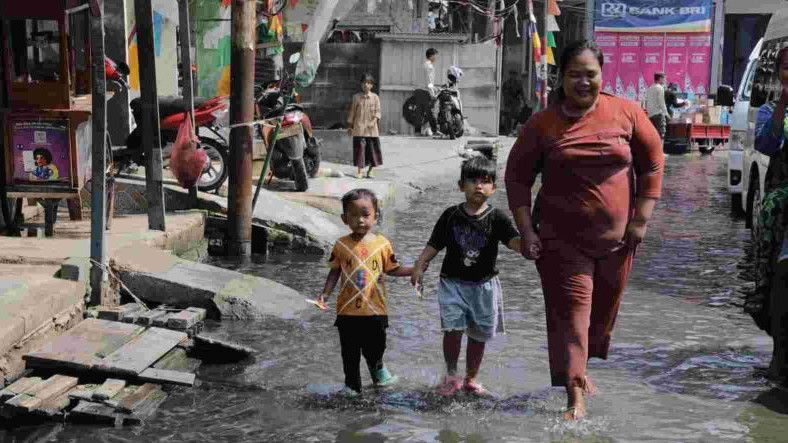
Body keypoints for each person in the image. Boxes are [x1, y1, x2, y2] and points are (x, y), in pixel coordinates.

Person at [504, 40, 664, 420]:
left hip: (619, 242)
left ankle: (578, 370)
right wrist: (526, 231)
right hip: (562, 243)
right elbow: (516, 178)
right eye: (574, 74)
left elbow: (653, 163)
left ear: (602, 75)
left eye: (590, 74)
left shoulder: (626, 113)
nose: (582, 82)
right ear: (561, 78)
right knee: (573, 315)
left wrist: (640, 220)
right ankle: (575, 395)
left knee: (598, 319)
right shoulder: (542, 124)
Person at [411, 157, 521, 396]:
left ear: (494, 188)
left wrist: (533, 241)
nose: (478, 186)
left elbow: (515, 243)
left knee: (479, 334)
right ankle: (451, 375)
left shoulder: (498, 218)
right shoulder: (451, 215)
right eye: (472, 180)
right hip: (452, 283)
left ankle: (471, 378)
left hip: (484, 286)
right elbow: (434, 244)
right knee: (452, 329)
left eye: (486, 181)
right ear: (461, 185)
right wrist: (420, 264)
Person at [316, 189, 414, 397]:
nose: (360, 220)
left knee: (376, 347)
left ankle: (378, 369)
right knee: (349, 353)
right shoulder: (341, 245)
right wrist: (325, 294)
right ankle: (352, 386)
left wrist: (414, 271)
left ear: (376, 216)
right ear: (344, 218)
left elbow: (392, 269)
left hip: (376, 310)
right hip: (347, 312)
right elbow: (335, 271)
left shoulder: (382, 244)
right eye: (353, 215)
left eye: (365, 214)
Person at [746, 46, 788, 383]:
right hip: (782, 207)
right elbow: (766, 145)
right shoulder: (770, 110)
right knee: (775, 281)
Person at [347, 73, 383, 179]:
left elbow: (378, 112)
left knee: (372, 152)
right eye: (364, 83)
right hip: (359, 129)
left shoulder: (375, 97)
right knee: (360, 151)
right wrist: (350, 126)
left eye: (368, 83)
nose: (366, 85)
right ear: (361, 84)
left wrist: (374, 121)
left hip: (372, 131)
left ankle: (371, 171)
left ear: (371, 85)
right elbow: (352, 112)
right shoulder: (356, 97)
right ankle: (360, 171)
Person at [415, 48, 442, 137]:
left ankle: (417, 132)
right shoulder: (429, 66)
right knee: (430, 111)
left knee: (419, 112)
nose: (436, 58)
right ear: (432, 56)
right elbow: (429, 82)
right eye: (436, 56)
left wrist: (434, 88)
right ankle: (435, 130)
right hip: (425, 91)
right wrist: (432, 93)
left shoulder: (422, 65)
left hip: (418, 91)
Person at [643, 72, 669, 139]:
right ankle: (659, 149)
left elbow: (646, 101)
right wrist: (666, 114)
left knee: (653, 135)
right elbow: (661, 102)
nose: (665, 80)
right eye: (664, 79)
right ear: (660, 78)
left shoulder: (650, 88)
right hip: (659, 114)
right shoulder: (660, 88)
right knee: (661, 135)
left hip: (650, 115)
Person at [502, 70, 525, 135]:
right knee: (508, 116)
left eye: (514, 75)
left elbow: (522, 93)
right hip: (508, 102)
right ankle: (508, 130)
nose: (513, 76)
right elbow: (504, 93)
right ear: (510, 75)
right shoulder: (506, 83)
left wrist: (524, 101)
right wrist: (508, 100)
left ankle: (512, 129)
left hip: (516, 102)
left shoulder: (518, 83)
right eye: (512, 75)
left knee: (515, 116)